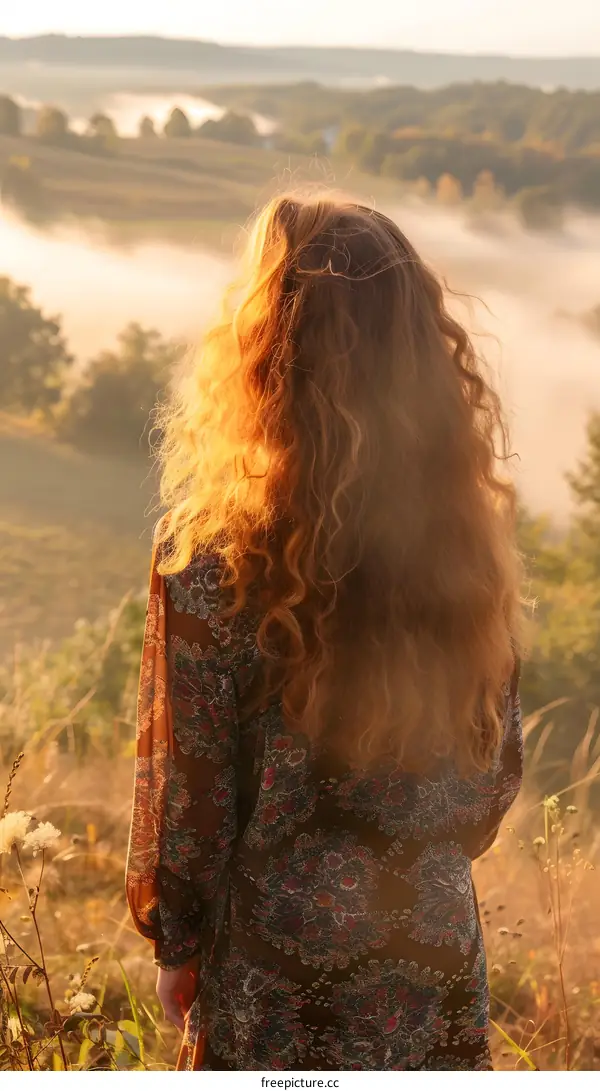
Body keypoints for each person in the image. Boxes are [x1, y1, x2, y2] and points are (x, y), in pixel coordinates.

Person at [126, 191, 523, 1071]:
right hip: (433, 951)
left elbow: (191, 798)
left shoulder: (208, 557)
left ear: (269, 354)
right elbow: (494, 778)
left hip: (272, 956)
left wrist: (178, 943)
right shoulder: (467, 548)